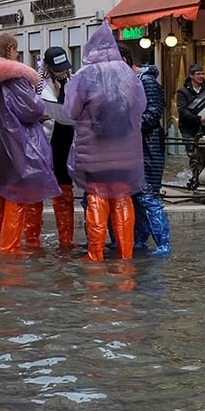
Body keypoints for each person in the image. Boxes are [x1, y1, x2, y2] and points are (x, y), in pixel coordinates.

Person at [0, 34, 60, 255]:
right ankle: (10, 251)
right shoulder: (14, 78)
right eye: (16, 50)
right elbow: (31, 108)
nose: (17, 55)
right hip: (17, 144)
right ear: (9, 50)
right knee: (16, 197)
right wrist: (41, 112)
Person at [64, 23, 147, 261]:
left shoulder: (84, 76)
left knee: (97, 199)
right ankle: (125, 255)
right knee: (122, 198)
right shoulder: (128, 75)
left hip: (94, 156)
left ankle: (96, 256)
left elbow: (71, 111)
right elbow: (141, 107)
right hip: (126, 155)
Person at [134, 55, 172, 256]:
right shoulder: (136, 81)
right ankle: (140, 240)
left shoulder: (146, 81)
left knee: (148, 196)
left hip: (149, 147)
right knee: (139, 197)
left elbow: (154, 113)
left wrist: (129, 125)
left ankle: (162, 244)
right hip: (140, 146)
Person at [41, 46, 77, 249]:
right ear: (47, 66)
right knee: (40, 188)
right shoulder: (38, 84)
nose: (62, 72)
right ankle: (33, 240)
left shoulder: (73, 82)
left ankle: (66, 239)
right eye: (58, 68)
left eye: (64, 68)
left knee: (65, 185)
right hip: (48, 138)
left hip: (68, 137)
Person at [175, 65, 205, 186]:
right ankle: (197, 181)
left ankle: (200, 178)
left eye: (202, 74)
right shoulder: (183, 92)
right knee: (194, 155)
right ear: (191, 75)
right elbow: (183, 111)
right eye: (198, 74)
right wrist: (199, 118)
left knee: (204, 154)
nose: (201, 76)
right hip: (188, 128)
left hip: (204, 128)